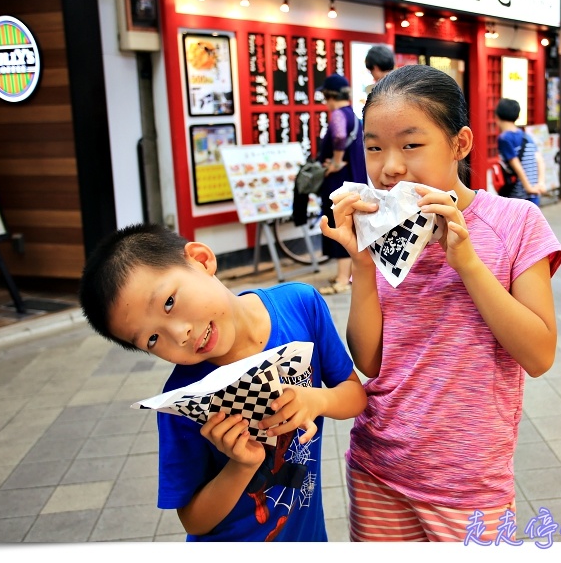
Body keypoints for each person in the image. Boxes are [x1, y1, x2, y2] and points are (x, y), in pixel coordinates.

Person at [321, 64, 561, 541]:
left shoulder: (516, 222)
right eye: (374, 147)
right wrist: (363, 263)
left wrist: (468, 261)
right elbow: (370, 361)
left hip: (470, 486)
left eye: (411, 145)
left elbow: (539, 355)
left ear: (460, 144)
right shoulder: (380, 230)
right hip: (378, 470)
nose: (390, 166)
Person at [77, 223, 367, 542]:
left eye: (169, 303)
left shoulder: (300, 305)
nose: (179, 334)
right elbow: (194, 521)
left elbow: (354, 395)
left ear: (201, 260)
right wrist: (241, 465)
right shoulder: (184, 403)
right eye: (153, 338)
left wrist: (316, 401)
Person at [316, 73, 368, 295]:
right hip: (354, 179)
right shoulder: (354, 116)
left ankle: (342, 278)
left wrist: (335, 162)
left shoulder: (338, 115)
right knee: (351, 225)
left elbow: (337, 137)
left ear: (329, 95)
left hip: (338, 181)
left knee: (340, 224)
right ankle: (347, 274)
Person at [496, 98, 546, 205]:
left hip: (517, 197)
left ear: (497, 116)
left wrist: (528, 187)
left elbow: (516, 164)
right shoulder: (526, 137)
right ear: (517, 117)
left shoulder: (504, 138)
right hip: (534, 195)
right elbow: (539, 160)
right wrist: (540, 184)